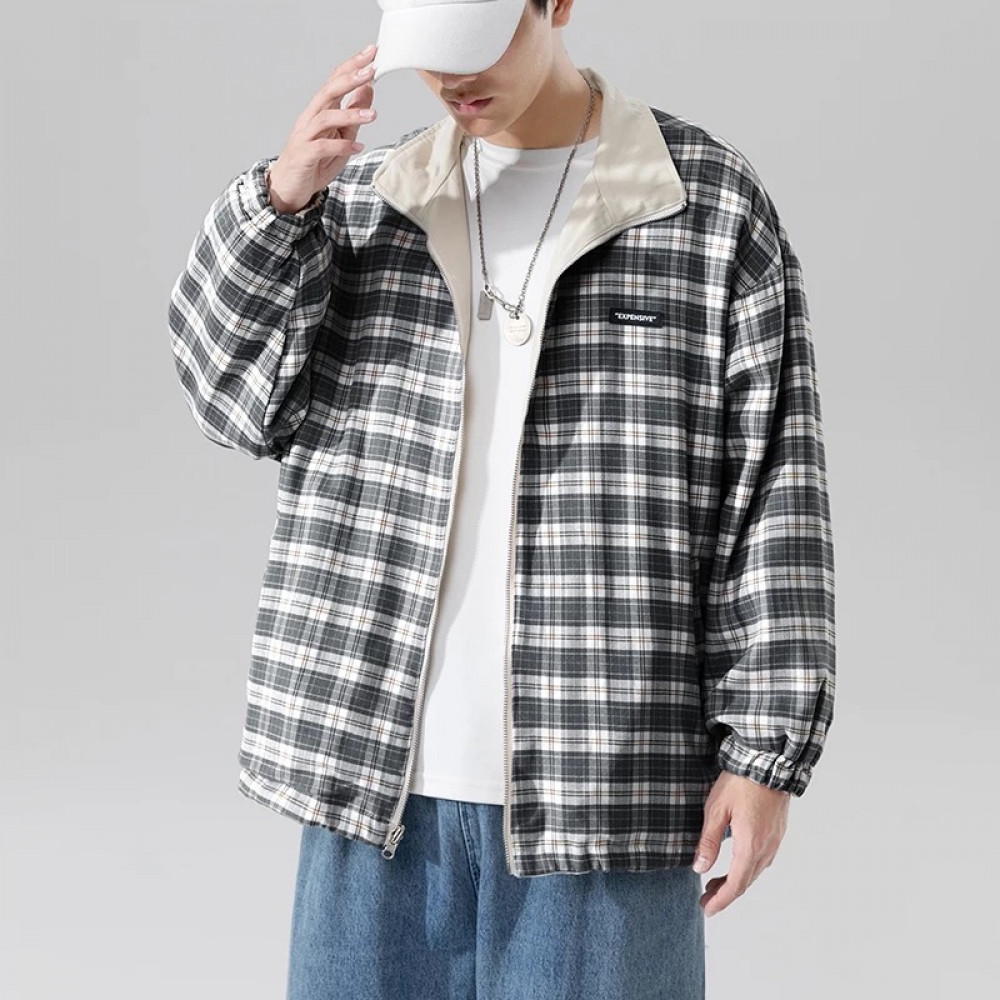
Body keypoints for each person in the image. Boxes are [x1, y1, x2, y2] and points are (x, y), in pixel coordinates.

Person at [167, 1, 836, 997]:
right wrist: (279, 202)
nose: (451, 81)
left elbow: (774, 491)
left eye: (476, 44)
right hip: (375, 781)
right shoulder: (368, 201)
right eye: (430, 56)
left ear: (556, 4)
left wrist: (765, 753)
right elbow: (228, 399)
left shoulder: (699, 204)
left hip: (606, 780)